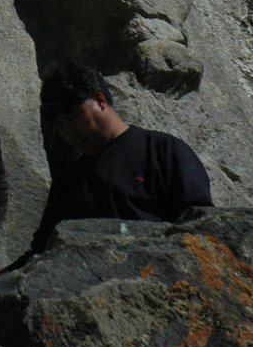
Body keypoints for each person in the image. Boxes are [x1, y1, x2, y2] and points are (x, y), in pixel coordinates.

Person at [31, 62, 213, 252]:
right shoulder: (68, 181)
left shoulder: (162, 151)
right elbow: (42, 248)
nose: (70, 132)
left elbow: (201, 222)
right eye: (61, 126)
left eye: (72, 118)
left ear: (100, 100)